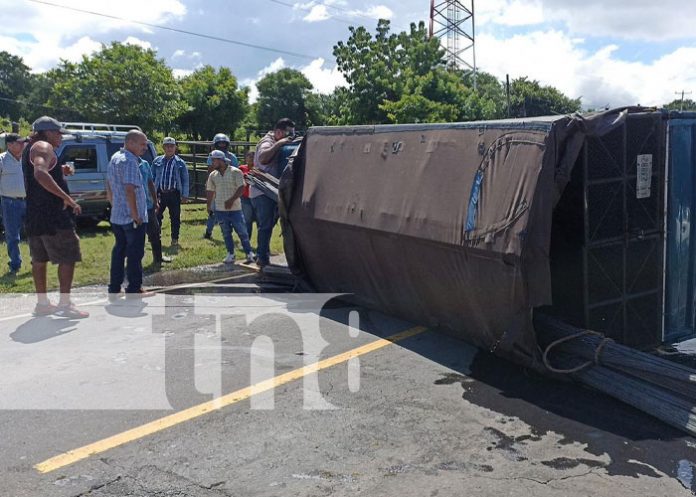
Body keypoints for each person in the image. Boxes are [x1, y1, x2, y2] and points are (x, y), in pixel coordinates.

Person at [22, 116, 87, 318]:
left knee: (39, 260)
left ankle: (42, 304)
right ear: (48, 132)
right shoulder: (43, 146)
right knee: (68, 256)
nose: (61, 137)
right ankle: (65, 305)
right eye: (58, 133)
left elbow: (42, 168)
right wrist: (67, 198)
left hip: (35, 215)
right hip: (54, 216)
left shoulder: (30, 148)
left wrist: (59, 170)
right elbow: (40, 173)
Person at [106, 130, 152, 297]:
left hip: (117, 215)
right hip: (131, 218)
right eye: (142, 144)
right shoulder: (130, 161)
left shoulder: (115, 158)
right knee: (135, 253)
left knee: (119, 251)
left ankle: (114, 286)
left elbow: (109, 185)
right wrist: (135, 214)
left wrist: (114, 204)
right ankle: (134, 287)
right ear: (131, 143)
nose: (145, 147)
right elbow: (130, 189)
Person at [251, 118, 295, 268]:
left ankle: (264, 253)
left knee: (271, 224)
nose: (289, 138)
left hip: (272, 190)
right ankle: (262, 257)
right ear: (278, 132)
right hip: (262, 191)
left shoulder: (277, 140)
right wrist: (280, 143)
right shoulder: (267, 142)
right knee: (265, 225)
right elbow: (263, 158)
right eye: (288, 134)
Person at [206, 150, 255, 265]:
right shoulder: (213, 175)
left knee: (242, 232)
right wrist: (208, 205)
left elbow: (241, 187)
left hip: (235, 209)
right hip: (220, 209)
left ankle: (249, 253)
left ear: (221, 160)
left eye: (214, 160)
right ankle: (231, 253)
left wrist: (231, 200)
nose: (213, 163)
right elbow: (210, 190)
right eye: (212, 161)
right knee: (226, 232)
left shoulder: (235, 172)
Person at [152, 137, 189, 247]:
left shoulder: (180, 163)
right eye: (167, 146)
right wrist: (151, 193)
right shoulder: (157, 161)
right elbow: (152, 177)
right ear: (163, 147)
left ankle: (174, 239)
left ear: (175, 147)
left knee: (175, 217)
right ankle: (155, 237)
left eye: (171, 146)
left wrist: (185, 195)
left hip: (174, 193)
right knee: (156, 215)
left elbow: (185, 179)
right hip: (160, 193)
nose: (169, 148)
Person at [0, 133, 28, 274]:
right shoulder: (2, 160)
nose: (23, 145)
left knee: (34, 232)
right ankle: (15, 264)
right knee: (12, 236)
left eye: (23, 142)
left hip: (29, 201)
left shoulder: (27, 158)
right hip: (9, 202)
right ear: (9, 145)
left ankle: (37, 261)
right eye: (19, 143)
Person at [204, 133, 239, 239]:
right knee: (213, 211)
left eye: (224, 143)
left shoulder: (232, 157)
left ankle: (228, 232)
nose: (222, 145)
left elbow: (236, 172)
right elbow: (210, 172)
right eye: (220, 144)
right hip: (216, 187)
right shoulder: (212, 156)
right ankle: (208, 232)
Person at [139, 156, 170, 267]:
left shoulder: (145, 163)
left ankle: (158, 258)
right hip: (135, 207)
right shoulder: (127, 163)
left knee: (155, 232)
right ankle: (135, 263)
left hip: (148, 205)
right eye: (142, 145)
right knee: (137, 236)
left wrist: (155, 201)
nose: (144, 148)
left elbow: (150, 183)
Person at [238, 150, 257, 242]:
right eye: (249, 156)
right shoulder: (241, 168)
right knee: (247, 220)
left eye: (253, 156)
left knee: (259, 220)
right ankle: (246, 241)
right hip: (245, 197)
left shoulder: (258, 170)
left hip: (257, 197)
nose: (250, 158)